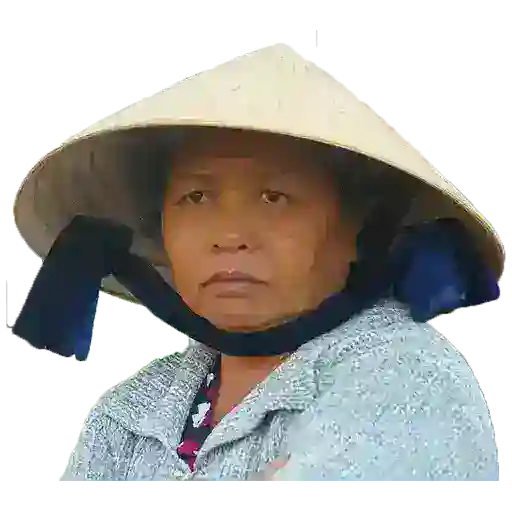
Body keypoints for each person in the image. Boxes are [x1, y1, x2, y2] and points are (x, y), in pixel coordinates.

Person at [13, 47, 504, 486]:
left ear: (360, 230)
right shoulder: (131, 413)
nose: (230, 236)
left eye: (275, 197)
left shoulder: (408, 381)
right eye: (196, 197)